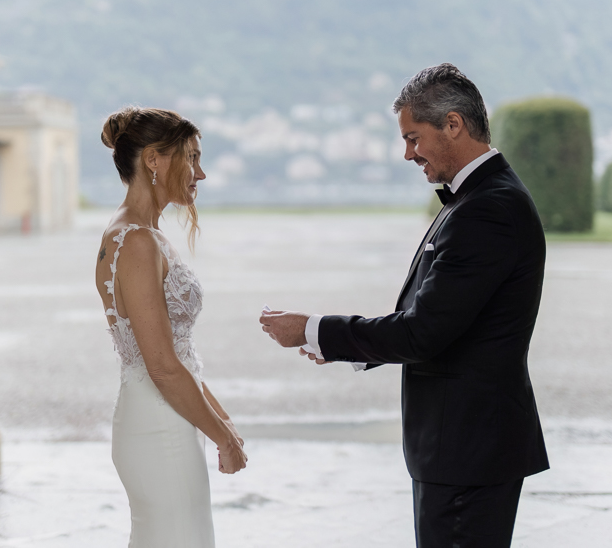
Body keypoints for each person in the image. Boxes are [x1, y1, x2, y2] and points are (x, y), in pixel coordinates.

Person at [260, 63, 548, 548]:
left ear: (453, 125)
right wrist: (343, 348)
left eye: (414, 138)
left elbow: (423, 332)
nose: (407, 154)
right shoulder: (477, 200)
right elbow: (442, 321)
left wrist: (314, 330)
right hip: (465, 448)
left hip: (466, 450)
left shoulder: (487, 209)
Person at [95, 106, 247, 547]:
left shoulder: (139, 234)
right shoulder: (137, 242)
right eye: (192, 157)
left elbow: (177, 356)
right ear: (154, 160)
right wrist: (225, 439)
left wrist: (220, 418)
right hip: (159, 424)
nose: (201, 173)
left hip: (165, 416)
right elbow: (161, 365)